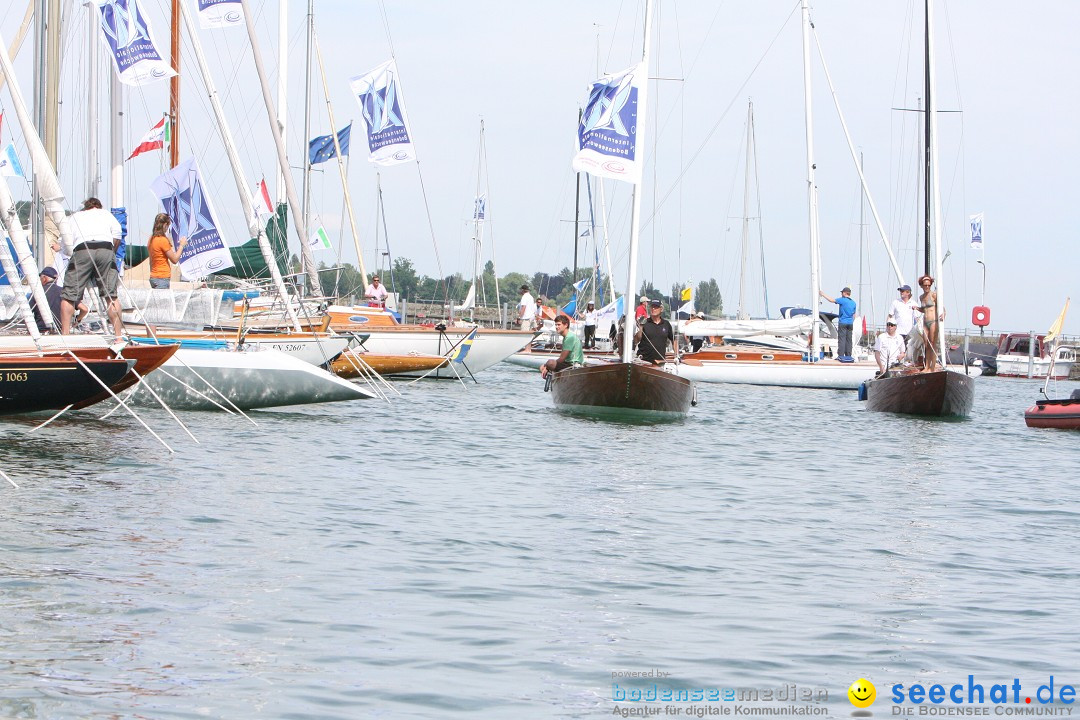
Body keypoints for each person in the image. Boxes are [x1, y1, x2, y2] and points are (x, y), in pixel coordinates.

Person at [58, 197, 124, 338]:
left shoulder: (75, 217)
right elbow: (117, 234)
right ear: (99, 206)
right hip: (106, 248)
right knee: (111, 296)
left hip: (82, 248)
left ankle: (65, 335)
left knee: (69, 296)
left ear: (85, 207)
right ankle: (118, 336)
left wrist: (68, 253)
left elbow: (64, 241)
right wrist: (111, 253)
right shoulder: (106, 214)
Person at [29, 266, 84, 334]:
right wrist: (77, 320)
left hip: (41, 332)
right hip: (61, 332)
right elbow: (84, 309)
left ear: (44, 278)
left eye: (40, 277)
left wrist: (30, 330)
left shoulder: (36, 293)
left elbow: (27, 312)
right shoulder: (65, 292)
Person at [147, 213, 188, 289]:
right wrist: (182, 245)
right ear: (165, 225)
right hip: (162, 277)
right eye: (168, 226)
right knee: (162, 300)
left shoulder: (151, 239)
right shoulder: (162, 240)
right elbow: (175, 259)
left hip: (153, 276)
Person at [540, 314, 584, 378]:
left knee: (550, 363)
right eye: (556, 325)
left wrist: (547, 366)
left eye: (559, 325)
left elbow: (562, 359)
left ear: (566, 325)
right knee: (542, 366)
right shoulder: (567, 337)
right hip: (567, 364)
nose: (556, 327)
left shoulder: (569, 338)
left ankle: (553, 376)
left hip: (573, 366)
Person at [819, 286, 856, 360]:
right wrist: (851, 321)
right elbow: (854, 314)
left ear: (845, 293)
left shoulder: (843, 300)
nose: (841, 294)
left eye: (842, 292)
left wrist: (823, 294)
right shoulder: (853, 302)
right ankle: (848, 356)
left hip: (843, 322)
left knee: (842, 339)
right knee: (849, 340)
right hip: (850, 323)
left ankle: (841, 356)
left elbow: (832, 300)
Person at [637, 299, 675, 365]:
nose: (653, 309)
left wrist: (676, 355)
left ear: (661, 309)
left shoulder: (666, 324)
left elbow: (674, 340)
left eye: (656, 307)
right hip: (644, 361)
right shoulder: (645, 322)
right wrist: (641, 327)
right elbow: (636, 340)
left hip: (660, 362)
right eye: (652, 307)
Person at [917, 274, 943, 371]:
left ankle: (932, 367)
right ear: (922, 286)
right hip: (925, 322)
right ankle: (927, 366)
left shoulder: (933, 295)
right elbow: (924, 310)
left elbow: (941, 307)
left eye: (929, 285)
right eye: (925, 285)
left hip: (933, 321)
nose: (927, 287)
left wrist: (943, 313)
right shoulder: (921, 297)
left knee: (932, 343)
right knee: (926, 344)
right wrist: (917, 308)